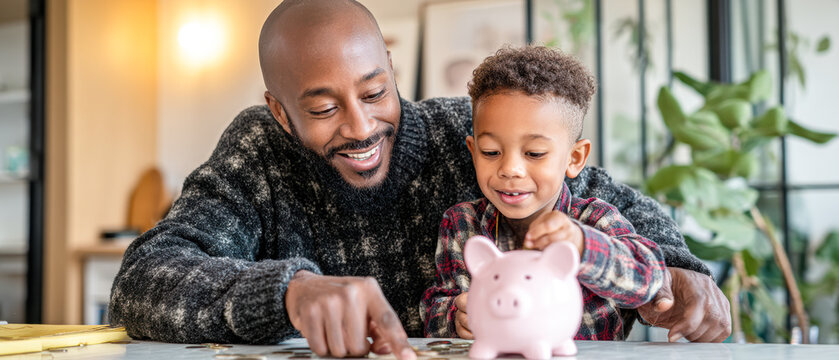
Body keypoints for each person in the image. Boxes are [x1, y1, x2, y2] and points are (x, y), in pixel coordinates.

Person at [108, 0, 730, 359]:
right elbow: (141, 282)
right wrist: (290, 292)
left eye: (376, 92)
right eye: (323, 109)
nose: (361, 126)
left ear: (392, 71)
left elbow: (608, 201)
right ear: (280, 111)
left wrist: (683, 270)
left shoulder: (465, 136)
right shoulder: (259, 153)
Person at [421, 46, 666, 340]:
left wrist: (583, 245)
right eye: (491, 152)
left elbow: (648, 276)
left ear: (574, 158)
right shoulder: (462, 223)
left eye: (535, 153)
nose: (510, 169)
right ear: (473, 152)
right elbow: (435, 305)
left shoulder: (594, 219)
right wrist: (454, 318)